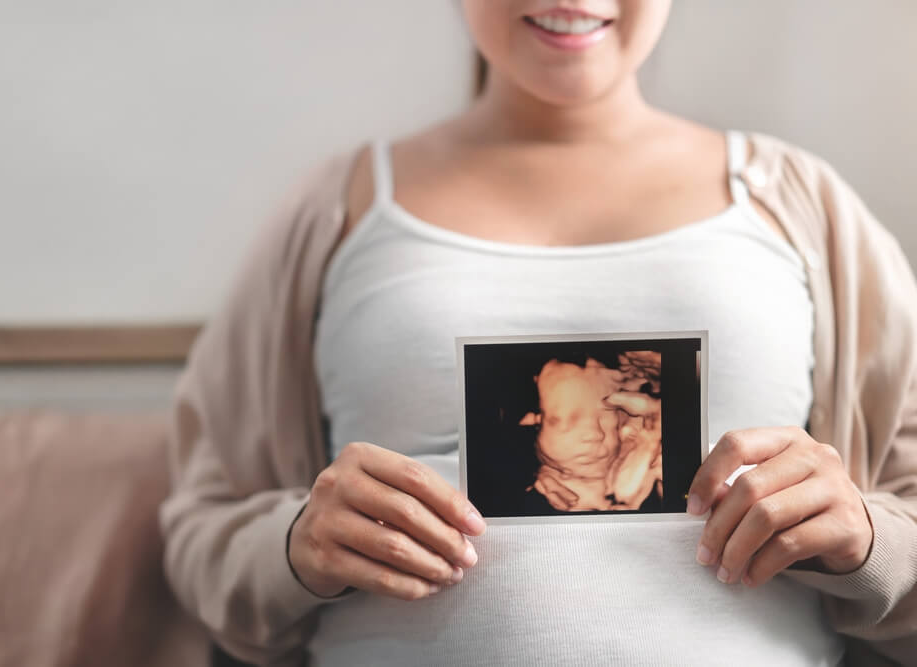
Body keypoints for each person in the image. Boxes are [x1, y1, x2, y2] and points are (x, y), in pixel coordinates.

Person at [159, 1, 917, 665]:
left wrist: (868, 541)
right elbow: (203, 522)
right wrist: (294, 546)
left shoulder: (795, 203)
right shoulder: (338, 209)